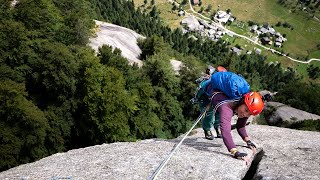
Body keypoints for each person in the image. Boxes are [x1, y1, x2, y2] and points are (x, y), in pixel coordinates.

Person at [209, 90, 264, 162]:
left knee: (218, 118)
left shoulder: (243, 106)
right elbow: (226, 131)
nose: (245, 115)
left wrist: (248, 141)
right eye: (246, 110)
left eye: (249, 114)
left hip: (221, 100)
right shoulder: (226, 108)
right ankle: (207, 130)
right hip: (209, 94)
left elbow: (240, 125)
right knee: (209, 118)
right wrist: (235, 152)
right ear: (242, 102)